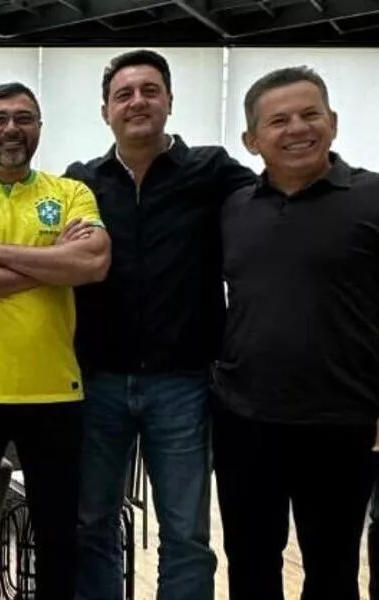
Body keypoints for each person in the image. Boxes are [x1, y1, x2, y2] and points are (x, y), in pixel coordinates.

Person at [63, 50, 255, 600]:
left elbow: (275, 201)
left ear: (170, 100)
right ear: (105, 111)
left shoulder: (212, 171)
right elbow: (25, 213)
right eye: (123, 94)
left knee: (186, 534)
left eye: (150, 90)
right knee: (91, 525)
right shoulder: (80, 182)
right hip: (97, 380)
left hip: (184, 384)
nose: (137, 102)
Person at [0, 82, 111, 600]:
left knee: (58, 537)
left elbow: (94, 262)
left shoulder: (70, 193)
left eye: (24, 118)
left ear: (39, 128)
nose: (12, 129)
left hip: (55, 391)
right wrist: (52, 264)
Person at [215, 65, 379, 600]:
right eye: (279, 120)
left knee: (332, 571)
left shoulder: (372, 197)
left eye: (310, 114)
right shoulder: (233, 209)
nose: (297, 128)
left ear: (333, 121)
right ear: (252, 140)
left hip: (342, 420)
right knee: (249, 567)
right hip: (244, 419)